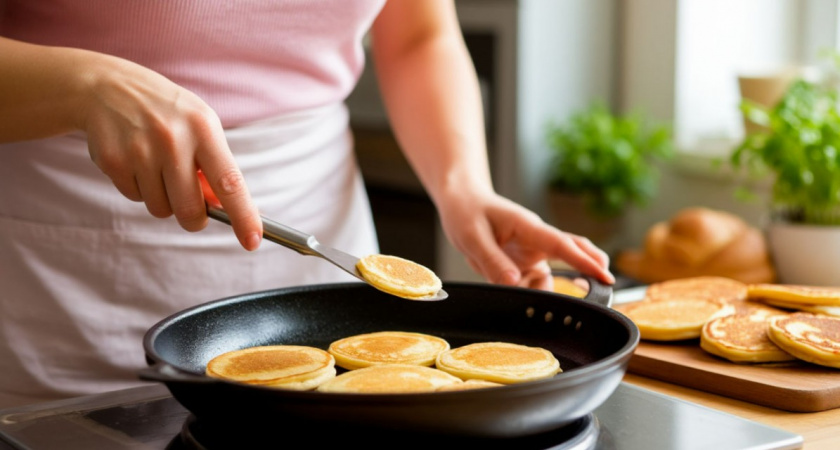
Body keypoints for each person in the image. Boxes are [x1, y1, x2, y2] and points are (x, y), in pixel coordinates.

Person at [0, 1, 613, 408]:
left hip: (324, 245)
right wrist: (84, 85)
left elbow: (419, 34)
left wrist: (463, 185)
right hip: (63, 263)